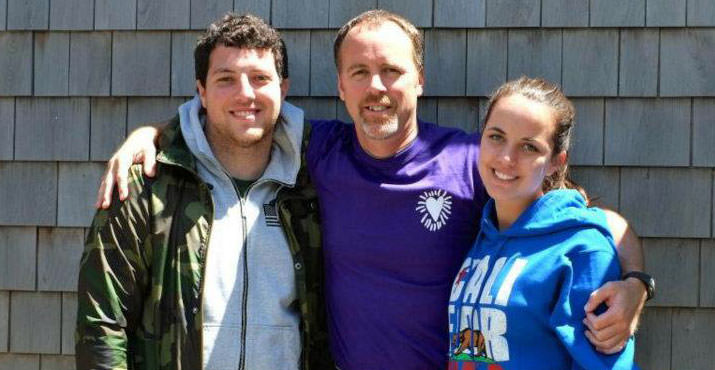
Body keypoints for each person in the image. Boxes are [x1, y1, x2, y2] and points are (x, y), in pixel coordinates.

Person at [95, 10, 651, 369]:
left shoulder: (473, 160)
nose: (376, 87)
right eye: (358, 72)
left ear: (420, 80)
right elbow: (239, 115)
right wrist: (154, 134)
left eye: (391, 71)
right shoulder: (319, 150)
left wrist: (634, 283)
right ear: (339, 86)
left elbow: (591, 221)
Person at [75, 13, 332, 370]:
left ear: (282, 89)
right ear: (202, 92)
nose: (245, 94)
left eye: (260, 78)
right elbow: (101, 326)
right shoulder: (145, 187)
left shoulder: (316, 184)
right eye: (226, 79)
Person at [448, 77, 636, 369]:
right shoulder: (483, 236)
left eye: (529, 147)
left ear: (555, 162)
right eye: (496, 137)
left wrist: (638, 283)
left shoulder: (582, 250)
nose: (506, 158)